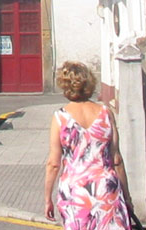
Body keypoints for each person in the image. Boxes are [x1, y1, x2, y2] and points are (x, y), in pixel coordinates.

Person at [44, 61, 132, 230]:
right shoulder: (106, 113)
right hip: (106, 189)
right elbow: (117, 160)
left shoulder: (60, 118)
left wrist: (48, 198)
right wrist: (126, 196)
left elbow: (53, 164)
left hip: (75, 193)